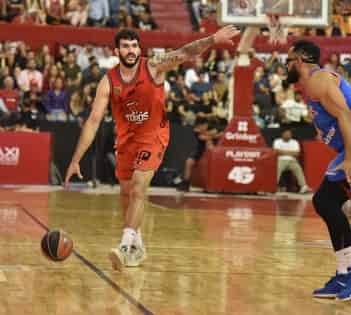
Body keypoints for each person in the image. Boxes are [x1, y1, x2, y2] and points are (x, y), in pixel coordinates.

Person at [64, 26, 239, 271]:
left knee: (138, 189)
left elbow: (185, 51)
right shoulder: (108, 81)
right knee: (125, 193)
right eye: (126, 46)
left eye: (135, 45)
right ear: (117, 51)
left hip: (154, 135)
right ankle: (137, 242)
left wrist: (212, 39)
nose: (131, 50)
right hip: (126, 140)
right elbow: (93, 121)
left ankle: (125, 245)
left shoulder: (154, 66)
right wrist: (75, 160)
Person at [285, 40, 351, 300]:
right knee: (324, 200)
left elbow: (345, 115)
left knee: (327, 199)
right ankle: (344, 271)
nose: (285, 65)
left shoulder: (318, 79)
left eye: (288, 59)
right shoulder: (311, 88)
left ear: (301, 58)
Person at [273, 129, 311, 193]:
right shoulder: (277, 141)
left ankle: (303, 186)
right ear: (283, 134)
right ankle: (273, 186)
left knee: (298, 169)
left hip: (292, 161)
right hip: (281, 160)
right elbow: (276, 152)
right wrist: (291, 153)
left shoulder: (294, 142)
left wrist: (283, 151)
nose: (288, 135)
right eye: (286, 134)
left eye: (289, 134)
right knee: (277, 169)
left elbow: (297, 153)